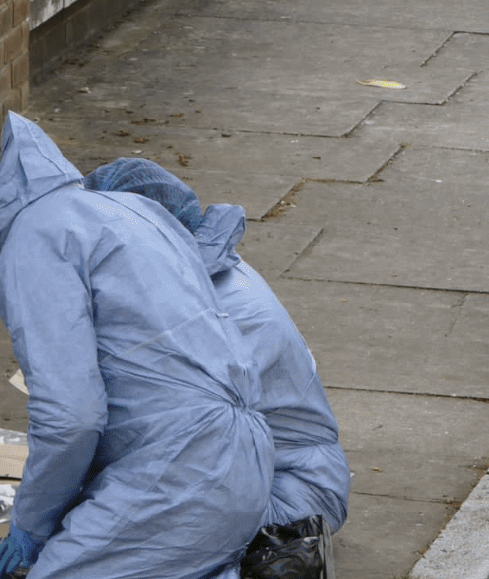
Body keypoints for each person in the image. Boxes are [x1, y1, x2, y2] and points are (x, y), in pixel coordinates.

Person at [0, 112, 275, 579]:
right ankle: (250, 577)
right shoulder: (121, 208)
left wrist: (33, 523)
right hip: (236, 459)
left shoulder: (30, 245)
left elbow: (73, 417)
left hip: (181, 474)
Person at [83, 159, 351, 532]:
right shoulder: (193, 279)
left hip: (291, 494)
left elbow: (167, 430)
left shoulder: (223, 312)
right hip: (251, 476)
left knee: (98, 547)